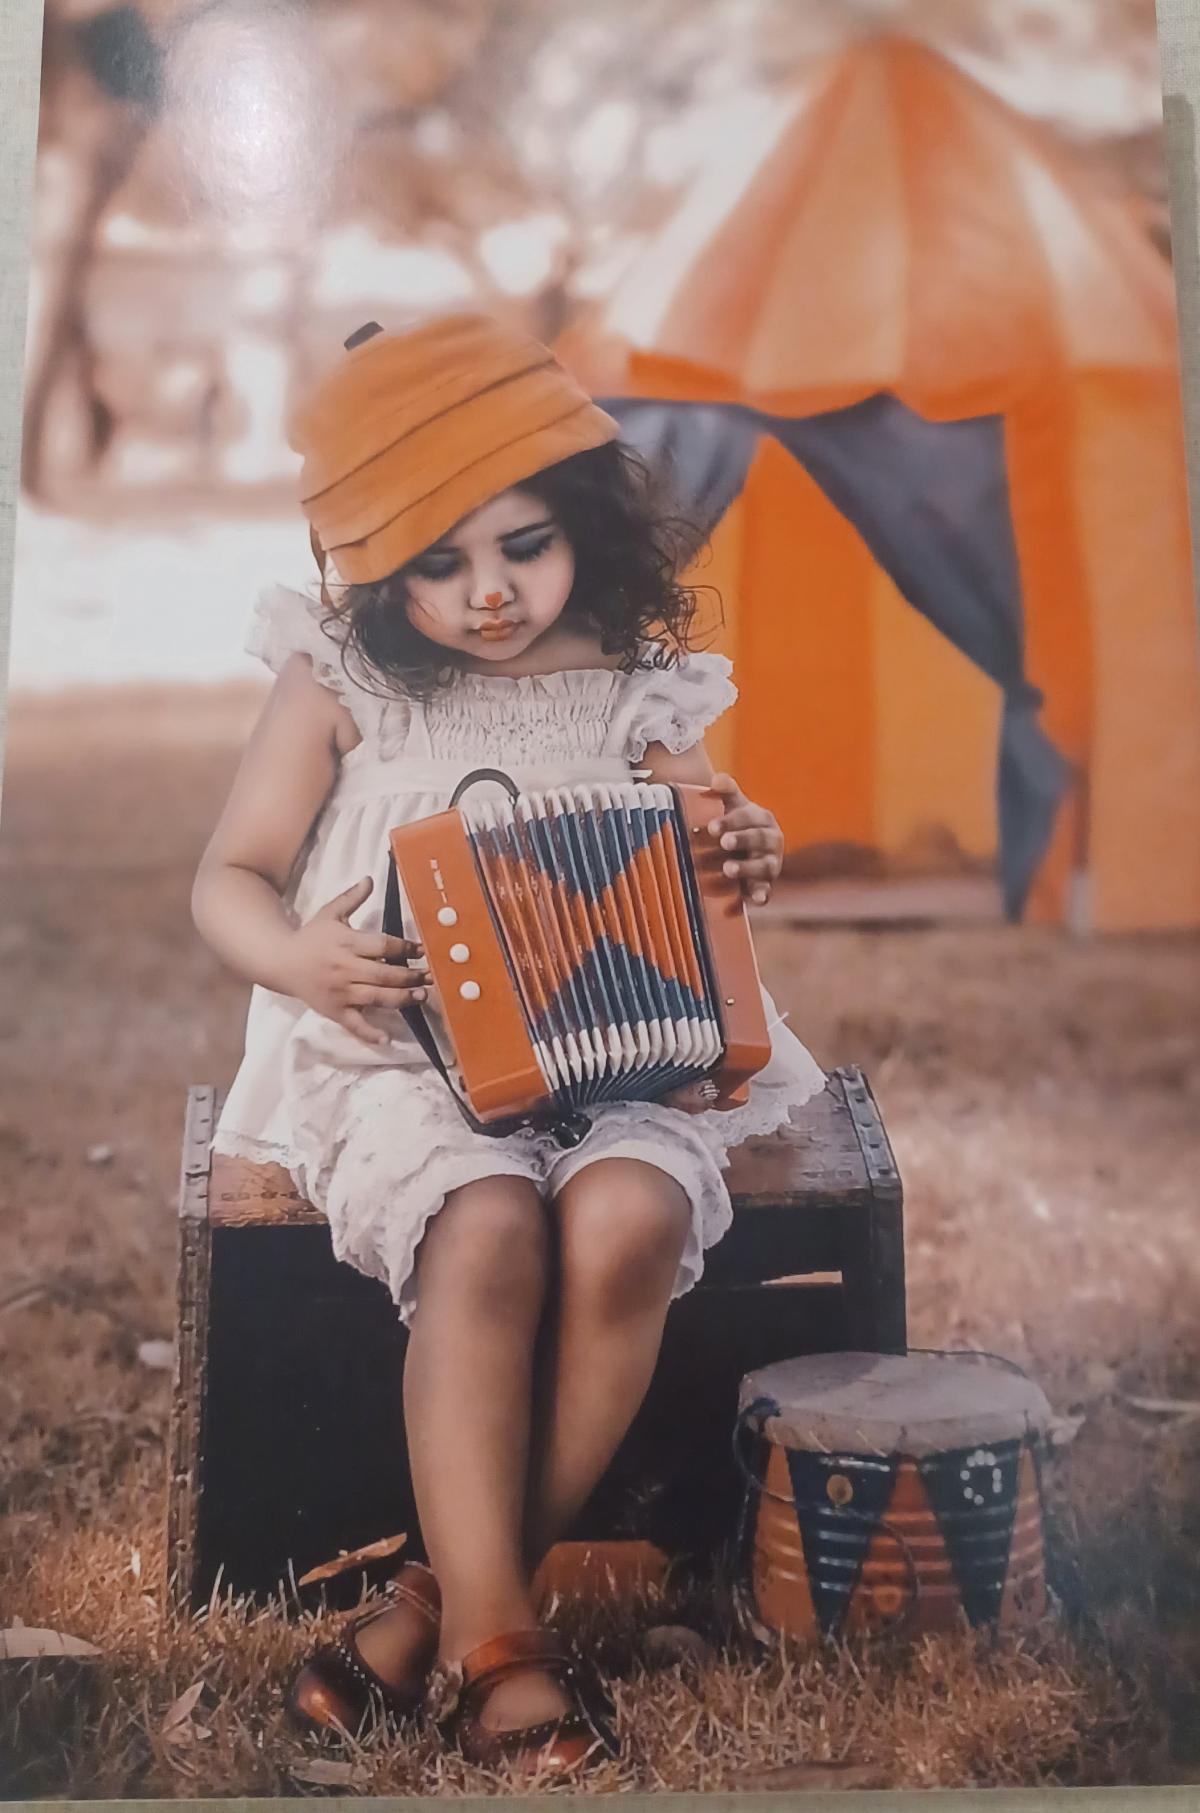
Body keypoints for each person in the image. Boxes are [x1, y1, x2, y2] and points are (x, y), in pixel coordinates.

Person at [191, 311, 826, 1776]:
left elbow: (713, 838)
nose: (489, 595)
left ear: (585, 523)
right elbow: (227, 877)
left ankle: (434, 1606)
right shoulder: (340, 676)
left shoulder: (631, 676)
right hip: (396, 1056)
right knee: (484, 1232)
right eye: (440, 563)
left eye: (523, 547)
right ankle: (505, 1648)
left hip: (625, 1061)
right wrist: (301, 952)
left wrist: (744, 848)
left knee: (628, 1219)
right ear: (373, 562)